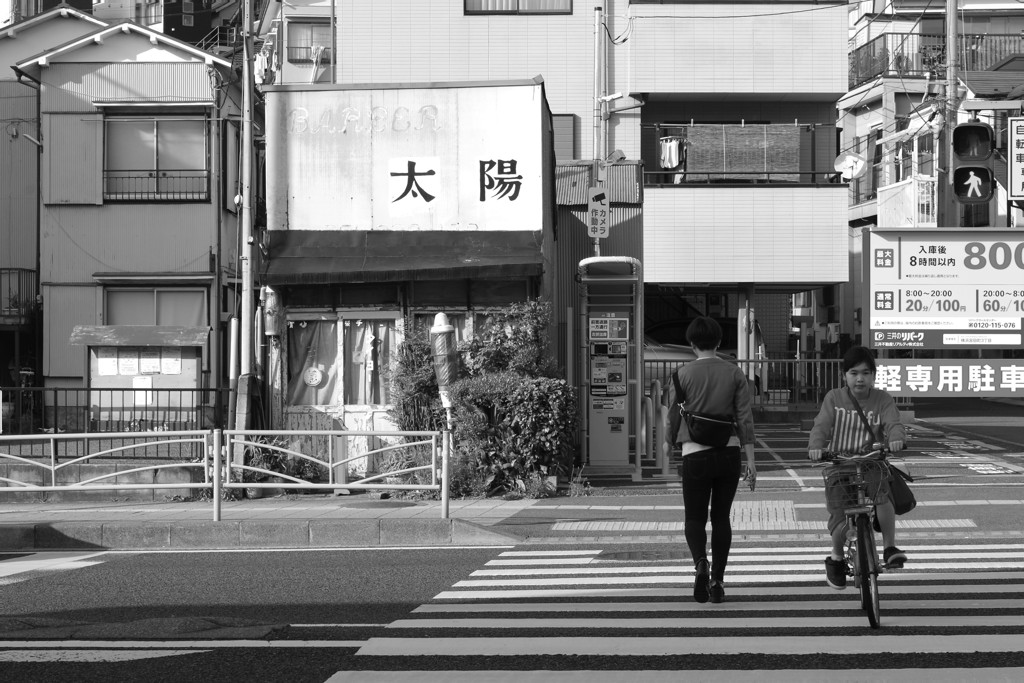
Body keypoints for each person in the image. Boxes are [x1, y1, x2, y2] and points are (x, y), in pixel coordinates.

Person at [668, 317, 757, 604]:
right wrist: (751, 461)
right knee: (721, 519)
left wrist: (670, 448)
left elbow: (672, 419)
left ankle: (700, 564)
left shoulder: (681, 375)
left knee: (694, 518)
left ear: (691, 344)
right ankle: (717, 581)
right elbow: (744, 419)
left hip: (694, 453)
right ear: (719, 342)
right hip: (728, 452)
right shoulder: (734, 373)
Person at [808, 345, 908, 590]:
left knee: (883, 497)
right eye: (853, 373)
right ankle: (836, 558)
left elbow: (894, 423)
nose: (860, 378)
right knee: (840, 516)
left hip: (872, 461)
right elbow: (821, 425)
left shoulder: (882, 399)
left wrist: (896, 438)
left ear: (874, 375)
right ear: (844, 375)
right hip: (840, 464)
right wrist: (816, 446)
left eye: (865, 373)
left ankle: (889, 547)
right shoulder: (834, 398)